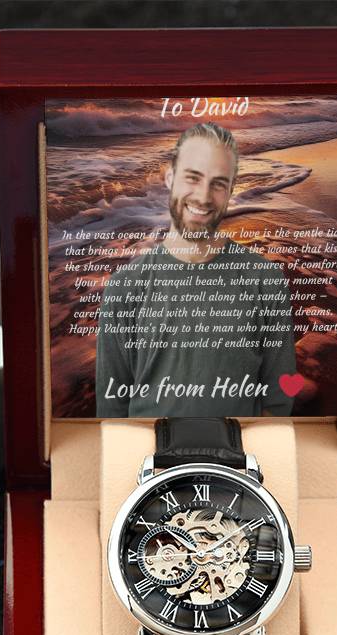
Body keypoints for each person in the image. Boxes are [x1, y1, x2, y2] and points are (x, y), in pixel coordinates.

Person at [95, 122, 296, 417]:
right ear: (170, 177)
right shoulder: (125, 288)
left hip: (235, 446)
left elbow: (278, 399)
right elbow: (111, 411)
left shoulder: (265, 280)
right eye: (193, 178)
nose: (203, 197)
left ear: (231, 190)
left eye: (218, 183)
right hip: (152, 446)